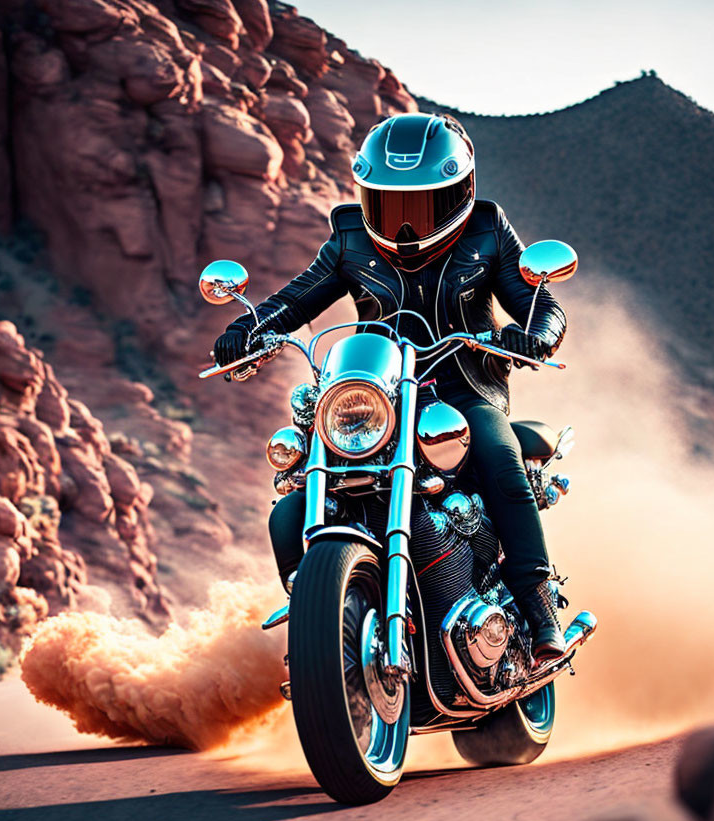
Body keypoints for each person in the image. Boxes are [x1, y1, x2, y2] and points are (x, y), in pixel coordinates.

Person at [213, 112, 568, 660]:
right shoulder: (351, 238)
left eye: (422, 206)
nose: (404, 225)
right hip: (374, 400)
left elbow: (538, 302)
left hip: (463, 390)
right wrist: (247, 329)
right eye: (389, 205)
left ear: (461, 192)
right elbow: (296, 298)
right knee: (292, 502)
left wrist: (536, 335)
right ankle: (320, 621)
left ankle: (536, 600)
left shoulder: (488, 230)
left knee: (501, 458)